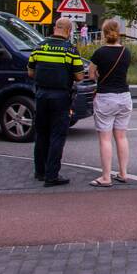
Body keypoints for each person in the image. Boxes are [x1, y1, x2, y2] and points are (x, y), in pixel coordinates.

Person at [28, 17, 84, 187]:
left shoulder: (40, 47)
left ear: (55, 28)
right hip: (60, 97)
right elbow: (79, 76)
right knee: (57, 136)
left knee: (41, 134)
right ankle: (52, 175)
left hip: (41, 95)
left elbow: (30, 72)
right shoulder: (70, 50)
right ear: (68, 31)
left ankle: (40, 171)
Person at [88, 19, 132, 188]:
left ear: (104, 33)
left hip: (106, 97)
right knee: (121, 136)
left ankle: (106, 177)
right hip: (125, 97)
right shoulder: (126, 52)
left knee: (105, 139)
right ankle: (123, 173)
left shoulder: (99, 53)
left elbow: (92, 75)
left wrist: (99, 73)